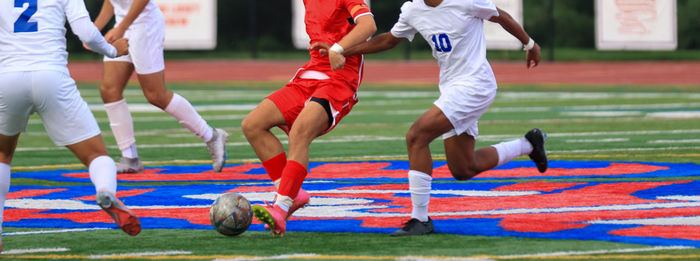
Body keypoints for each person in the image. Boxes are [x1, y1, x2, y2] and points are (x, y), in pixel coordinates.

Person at [325, 0, 548, 236]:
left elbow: (501, 16)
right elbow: (389, 39)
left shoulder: (465, 2)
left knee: (416, 136)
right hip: (452, 89)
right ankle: (528, 144)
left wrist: (530, 44)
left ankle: (420, 219)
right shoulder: (413, 9)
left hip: (475, 85)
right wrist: (340, 49)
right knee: (464, 168)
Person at [0, 0, 143, 251]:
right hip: (50, 77)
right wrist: (112, 51)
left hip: (7, 77)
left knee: (2, 156)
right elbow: (86, 32)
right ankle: (105, 190)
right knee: (96, 155)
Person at [241, 0, 376, 236]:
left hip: (340, 79)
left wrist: (338, 48)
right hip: (309, 75)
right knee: (253, 125)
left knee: (299, 133)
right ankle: (292, 193)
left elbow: (368, 25)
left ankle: (281, 208)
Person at [87, 0, 228, 173]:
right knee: (109, 90)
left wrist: (121, 28)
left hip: (145, 26)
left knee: (156, 95)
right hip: (124, 25)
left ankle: (211, 136)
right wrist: (94, 31)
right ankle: (130, 157)